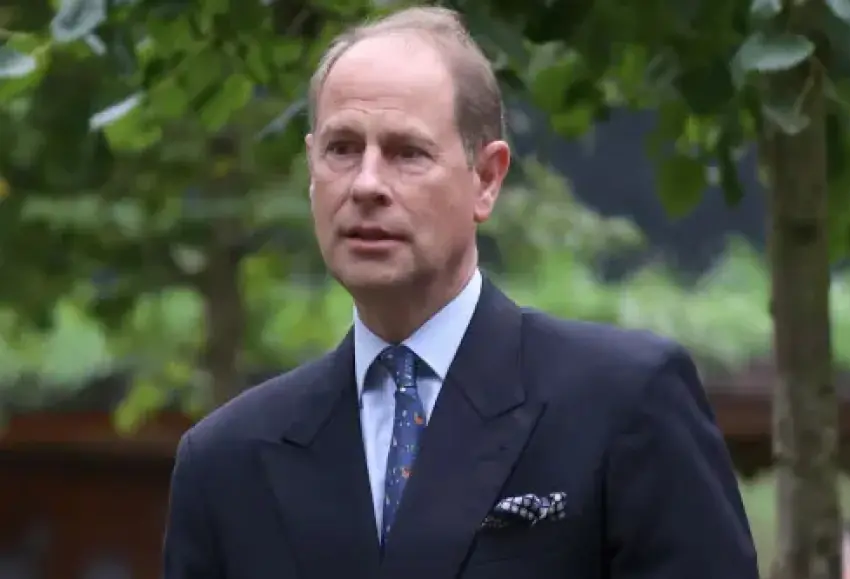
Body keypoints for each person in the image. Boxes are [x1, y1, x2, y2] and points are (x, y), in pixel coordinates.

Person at [162, 7, 759, 579]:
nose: (367, 184)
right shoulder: (225, 460)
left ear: (487, 179)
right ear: (311, 168)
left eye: (407, 153)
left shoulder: (624, 403)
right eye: (343, 149)